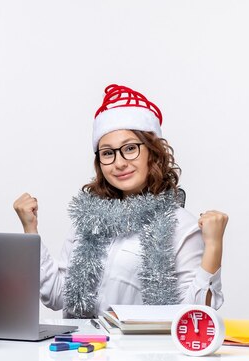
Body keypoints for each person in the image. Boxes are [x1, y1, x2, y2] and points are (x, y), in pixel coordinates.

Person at [13, 84, 228, 319]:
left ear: (153, 153)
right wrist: (30, 229)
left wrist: (214, 246)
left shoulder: (181, 225)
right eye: (108, 153)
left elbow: (195, 317)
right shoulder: (89, 221)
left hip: (142, 352)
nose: (119, 163)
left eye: (130, 148)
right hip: (82, 350)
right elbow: (57, 296)